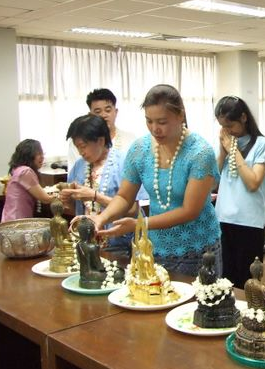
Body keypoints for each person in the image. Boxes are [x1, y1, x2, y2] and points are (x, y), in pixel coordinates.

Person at [90, 84, 221, 277]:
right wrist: (102, 218)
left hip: (197, 247)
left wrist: (140, 224)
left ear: (181, 115)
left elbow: (189, 210)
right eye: (149, 121)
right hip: (155, 245)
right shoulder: (140, 149)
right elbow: (124, 196)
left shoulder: (200, 153)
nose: (155, 129)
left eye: (162, 122)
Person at [60, 115, 142, 256]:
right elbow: (79, 211)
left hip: (121, 246)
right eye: (77, 147)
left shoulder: (124, 163)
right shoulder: (79, 166)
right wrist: (67, 201)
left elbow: (133, 210)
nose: (80, 152)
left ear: (101, 140)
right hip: (87, 244)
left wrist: (95, 196)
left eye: (83, 146)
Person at [214, 96, 265, 289]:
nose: (227, 131)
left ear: (244, 118)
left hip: (249, 222)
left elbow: (253, 182)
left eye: (230, 125)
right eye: (223, 127)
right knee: (225, 280)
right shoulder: (228, 144)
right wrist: (223, 150)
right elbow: (214, 180)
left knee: (247, 282)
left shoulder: (262, 144)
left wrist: (233, 150)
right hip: (224, 218)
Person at [67, 88, 136, 170]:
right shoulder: (78, 142)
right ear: (90, 115)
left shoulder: (131, 140)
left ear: (116, 112)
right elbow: (74, 172)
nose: (103, 115)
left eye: (108, 110)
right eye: (98, 112)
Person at [1, 139, 54, 222]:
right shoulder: (25, 172)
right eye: (38, 154)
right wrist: (62, 195)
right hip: (18, 223)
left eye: (42, 153)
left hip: (9, 221)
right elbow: (45, 199)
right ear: (28, 155)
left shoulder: (17, 169)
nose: (42, 157)